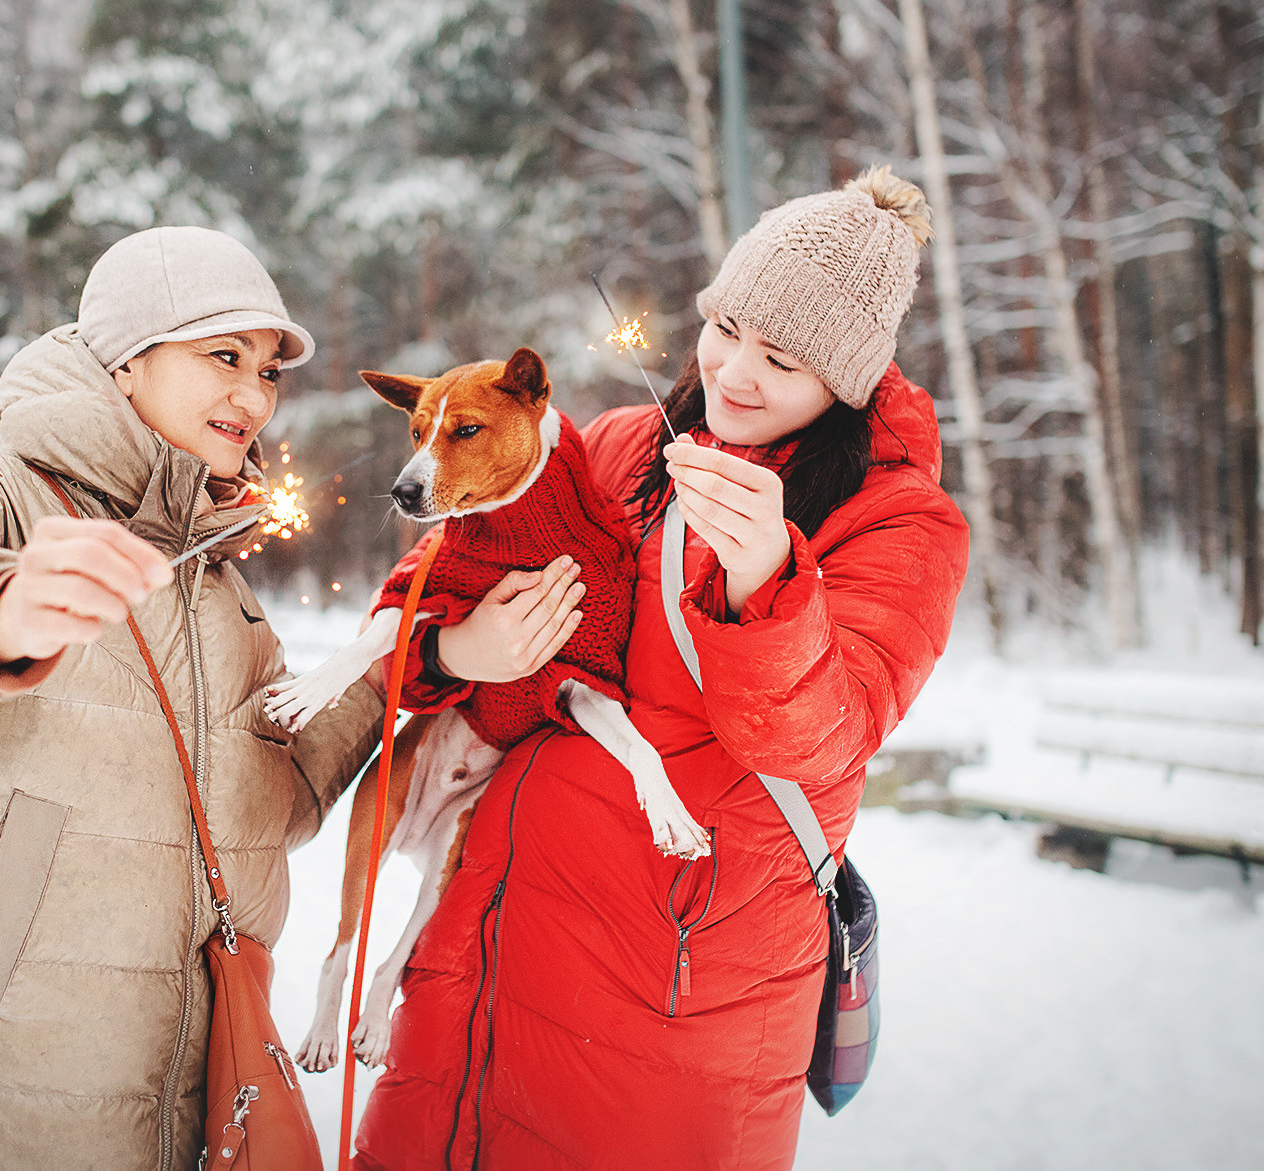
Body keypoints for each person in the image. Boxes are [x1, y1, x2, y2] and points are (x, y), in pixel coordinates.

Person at [353, 167, 973, 1168]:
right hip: (480, 955)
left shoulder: (897, 522)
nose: (731, 374)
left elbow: (821, 738)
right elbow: (428, 581)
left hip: (671, 1005)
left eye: (779, 357)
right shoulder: (614, 448)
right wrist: (449, 648)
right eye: (724, 328)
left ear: (846, 379)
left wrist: (769, 580)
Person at [0, 227, 386, 1171]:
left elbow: (272, 795)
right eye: (223, 356)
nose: (254, 394)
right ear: (126, 362)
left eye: (269, 370)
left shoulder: (216, 585)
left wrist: (418, 651)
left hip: (174, 1119)